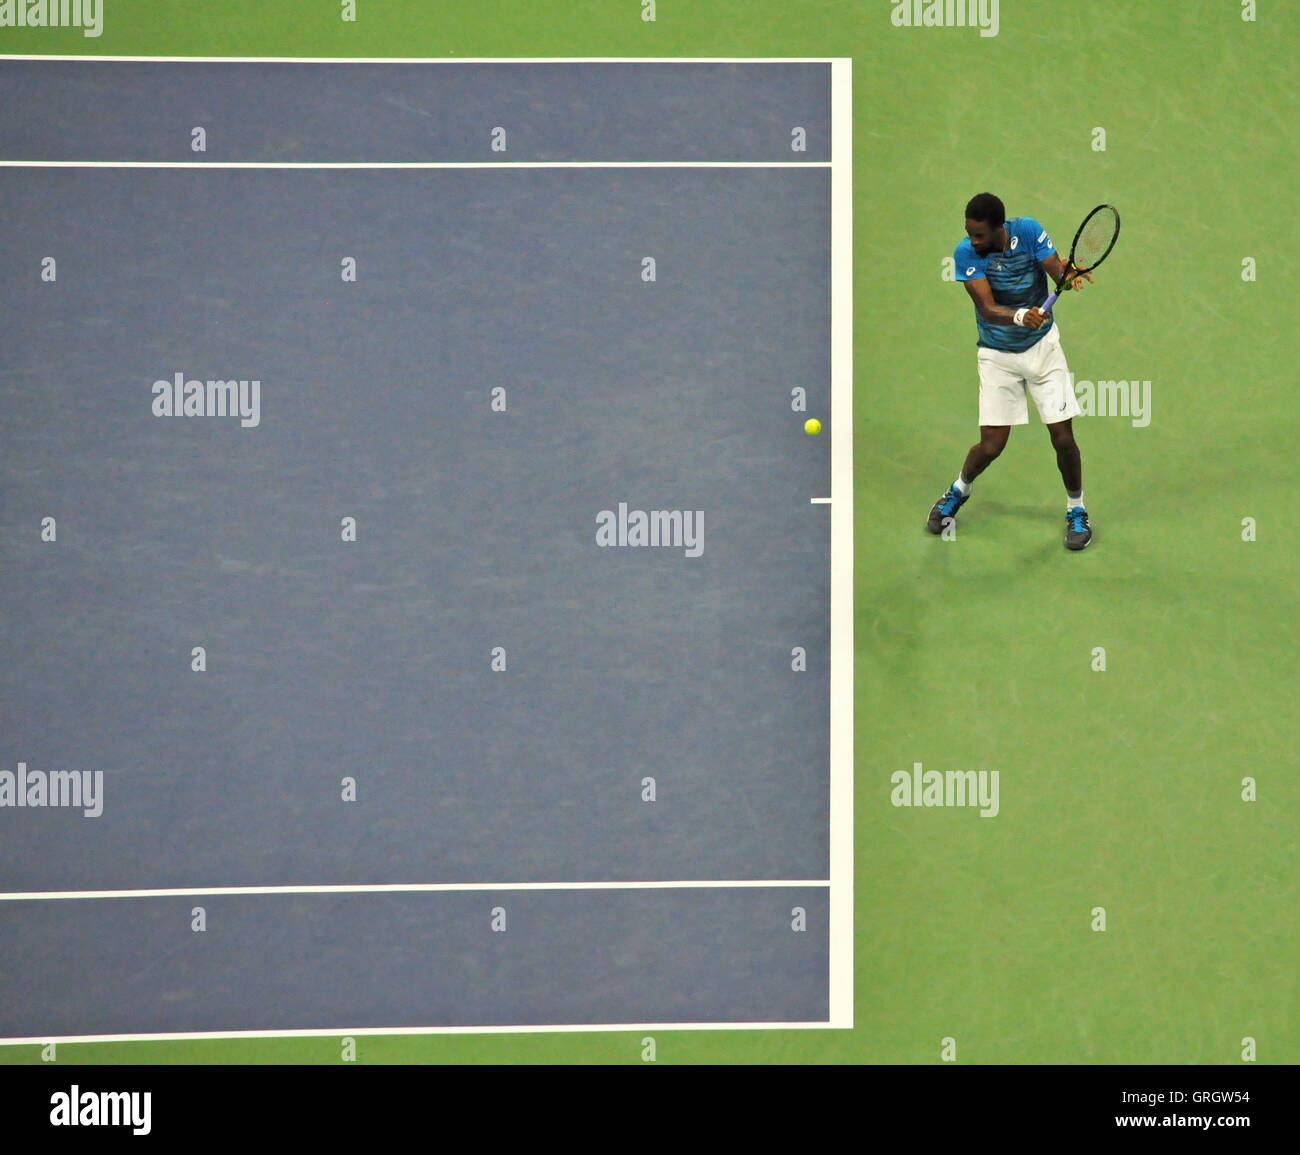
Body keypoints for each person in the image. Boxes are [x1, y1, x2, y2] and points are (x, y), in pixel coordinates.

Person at [927, 192, 1093, 550]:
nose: (973, 241)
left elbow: (1054, 270)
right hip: (997, 356)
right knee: (991, 446)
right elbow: (987, 308)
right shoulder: (966, 254)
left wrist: (1067, 272)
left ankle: (1076, 509)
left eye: (980, 235)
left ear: (999, 228)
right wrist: (1021, 315)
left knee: (1063, 438)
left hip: (1044, 351)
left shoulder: (1029, 232)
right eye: (969, 233)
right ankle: (959, 490)